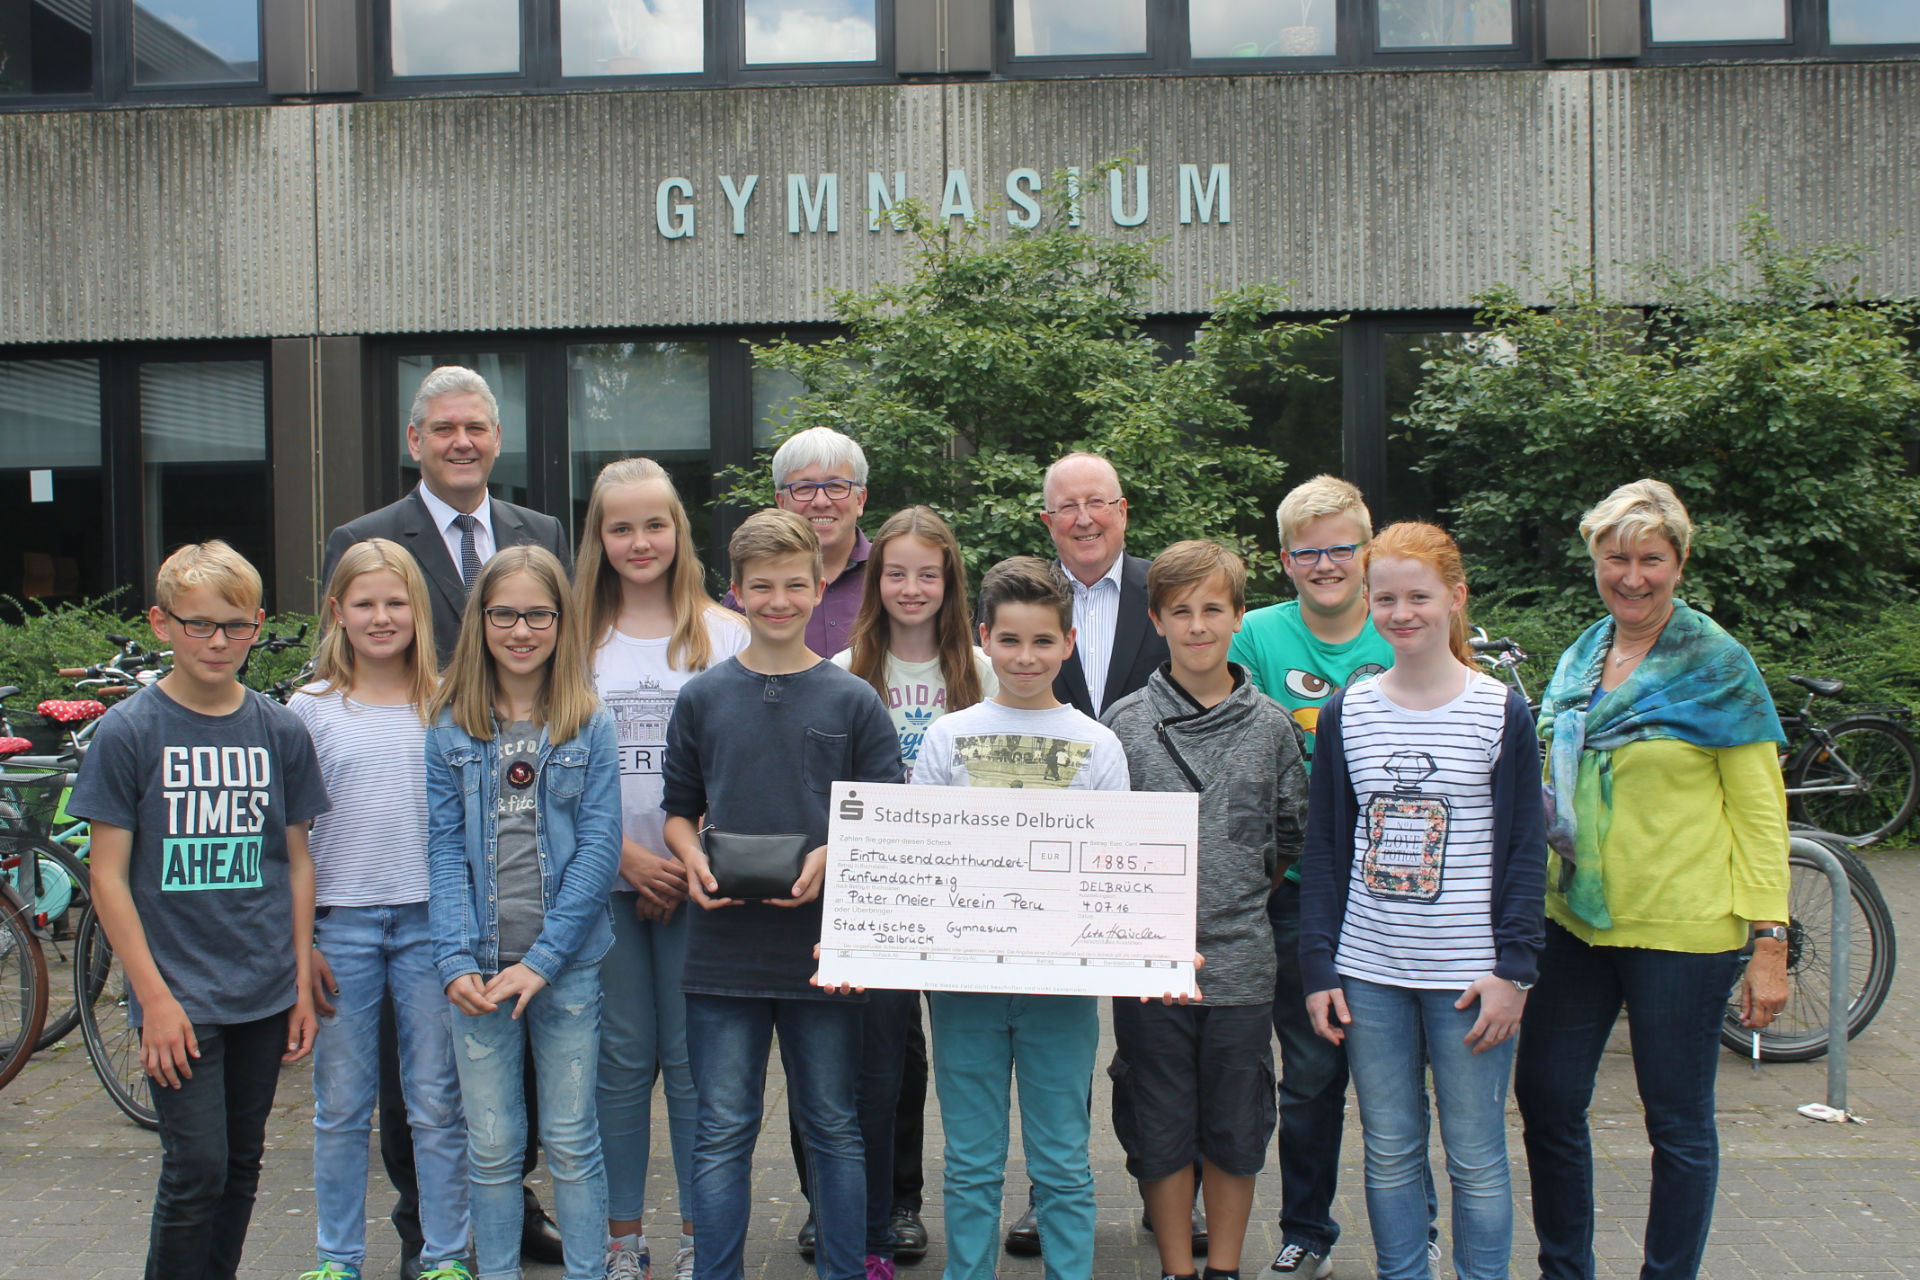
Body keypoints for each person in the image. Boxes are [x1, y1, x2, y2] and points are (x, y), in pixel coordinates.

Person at [322, 363, 572, 1274]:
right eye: (443, 429)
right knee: (413, 1064)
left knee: (524, 1038)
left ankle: (515, 1197)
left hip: (522, 833)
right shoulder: (366, 539)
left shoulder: (539, 532)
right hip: (420, 845)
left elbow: (557, 659)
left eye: (476, 428)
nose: (462, 442)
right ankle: (421, 1223)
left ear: (496, 439)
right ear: (414, 442)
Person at [1515, 478, 1790, 1280]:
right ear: (1594, 562)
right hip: (1575, 922)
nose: (1631, 576)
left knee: (1676, 1124)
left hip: (1683, 930)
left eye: (1650, 560)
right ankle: (1567, 1268)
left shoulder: (1718, 665)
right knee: (1548, 1098)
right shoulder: (1582, 654)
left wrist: (1770, 939)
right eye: (1614, 559)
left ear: (1680, 562)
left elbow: (1761, 812)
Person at [67, 540, 330, 1280]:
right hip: (176, 993)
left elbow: (297, 861)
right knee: (196, 1169)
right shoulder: (131, 731)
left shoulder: (278, 729)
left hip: (262, 986)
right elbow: (108, 877)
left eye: (236, 626)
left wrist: (300, 974)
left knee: (242, 1166)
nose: (219, 643)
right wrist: (152, 1000)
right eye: (199, 625)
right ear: (160, 623)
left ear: (259, 624)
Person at [661, 509, 904, 1280]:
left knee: (833, 1123)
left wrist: (836, 853)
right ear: (734, 592)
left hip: (822, 948)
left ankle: (844, 1269)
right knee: (723, 1128)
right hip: (722, 948)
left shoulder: (853, 700)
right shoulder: (702, 698)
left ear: (820, 584)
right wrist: (691, 858)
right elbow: (677, 811)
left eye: (794, 584)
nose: (778, 599)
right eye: (760, 586)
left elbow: (885, 813)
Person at [1299, 522, 1547, 1280]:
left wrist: (1516, 969)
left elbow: (1524, 851)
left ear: (1455, 599)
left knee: (1475, 1156)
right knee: (1390, 1149)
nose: (1402, 612)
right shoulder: (1350, 710)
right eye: (1386, 598)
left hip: (1472, 980)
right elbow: (1326, 848)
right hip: (1370, 971)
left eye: (1419, 596)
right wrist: (1319, 967)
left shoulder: (1499, 710)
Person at [914, 555, 1132, 1280]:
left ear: (1068, 643)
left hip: (1061, 989)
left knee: (1064, 1158)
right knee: (970, 1161)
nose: (1026, 657)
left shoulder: (1099, 744)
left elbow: (1116, 872)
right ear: (984, 640)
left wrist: (1150, 945)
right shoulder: (946, 738)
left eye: (1043, 641)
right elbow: (918, 859)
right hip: (963, 985)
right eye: (1009, 641)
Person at [1100, 541, 1309, 1280]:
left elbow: (1288, 837)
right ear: (1156, 619)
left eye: (1212, 610)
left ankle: (1223, 1267)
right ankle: (1174, 1268)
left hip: (1242, 960)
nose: (1197, 626)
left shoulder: (1273, 726)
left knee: (1237, 1118)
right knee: (1156, 1116)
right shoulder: (1121, 727)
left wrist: (1235, 892)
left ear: (1238, 617)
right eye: (1180, 611)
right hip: (1147, 961)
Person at [425, 546, 623, 1280]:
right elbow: (444, 852)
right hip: (476, 969)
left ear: (560, 622)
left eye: (538, 614)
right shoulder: (449, 726)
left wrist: (541, 963)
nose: (520, 630)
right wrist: (452, 961)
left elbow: (599, 854)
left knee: (571, 1139)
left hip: (565, 969)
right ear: (480, 622)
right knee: (493, 1146)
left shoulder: (587, 725)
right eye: (503, 614)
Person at [573, 458, 748, 1280]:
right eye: (620, 527)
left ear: (679, 531)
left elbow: (744, 768)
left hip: (699, 884)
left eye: (655, 524)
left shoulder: (728, 634)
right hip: (597, 885)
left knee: (692, 1066)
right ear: (598, 537)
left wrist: (678, 859)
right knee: (617, 1063)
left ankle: (692, 1236)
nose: (639, 541)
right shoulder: (571, 636)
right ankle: (620, 1238)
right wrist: (624, 857)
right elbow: (550, 770)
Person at [1225, 476, 1398, 1280]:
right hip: (1290, 889)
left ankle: (1416, 1225)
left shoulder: (1401, 626)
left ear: (1366, 551)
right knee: (1310, 1072)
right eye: (1307, 551)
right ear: (1285, 560)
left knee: (1402, 1073)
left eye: (1340, 548)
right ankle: (1307, 1231)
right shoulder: (1256, 635)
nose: (1325, 564)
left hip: (1394, 890)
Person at [293, 541, 471, 1280]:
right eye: (364, 603)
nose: (381, 617)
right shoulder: (307, 711)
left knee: (434, 1100)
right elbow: (291, 840)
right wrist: (299, 942)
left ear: (418, 611)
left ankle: (445, 1255)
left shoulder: (448, 701)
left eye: (396, 603)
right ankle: (337, 1257)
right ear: (337, 612)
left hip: (433, 925)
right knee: (340, 1104)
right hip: (343, 927)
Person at [826, 504, 996, 1271]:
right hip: (873, 893)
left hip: (962, 892)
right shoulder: (842, 670)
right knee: (877, 1056)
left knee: (950, 1057)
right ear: (875, 580)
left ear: (950, 581)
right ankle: (863, 1204)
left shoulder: (984, 669)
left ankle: (916, 1201)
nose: (911, 587)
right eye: (896, 572)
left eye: (928, 573)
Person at [1017, 450, 1176, 1258]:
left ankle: (1164, 1192)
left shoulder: (1167, 591)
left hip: (1146, 855)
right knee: (1058, 1044)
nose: (1083, 519)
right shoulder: (1025, 595)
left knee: (1149, 1042)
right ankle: (1050, 1194)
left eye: (1097, 503)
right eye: (1066, 507)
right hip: (1047, 859)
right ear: (1047, 521)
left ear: (1123, 509)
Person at [723, 425, 872, 659]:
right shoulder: (747, 598)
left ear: (860, 499)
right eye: (804, 488)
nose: (821, 501)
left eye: (836, 486)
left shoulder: (891, 579)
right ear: (781, 502)